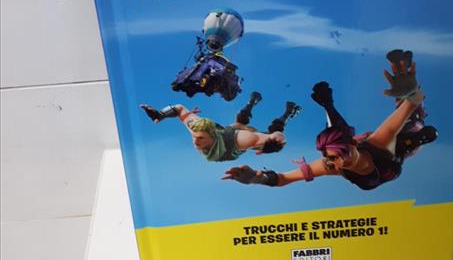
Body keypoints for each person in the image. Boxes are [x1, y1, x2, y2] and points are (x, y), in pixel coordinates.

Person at [222, 50, 437, 189]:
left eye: (343, 153)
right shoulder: (332, 165)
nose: (342, 161)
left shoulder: (378, 142)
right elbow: (283, 178)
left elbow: (412, 104)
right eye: (334, 158)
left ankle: (414, 136)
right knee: (410, 131)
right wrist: (255, 178)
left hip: (396, 148)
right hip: (391, 162)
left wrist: (410, 93)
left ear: (353, 144)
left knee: (414, 127)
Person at [140, 91, 301, 162]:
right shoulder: (250, 139)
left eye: (198, 139)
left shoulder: (202, 131)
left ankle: (260, 106)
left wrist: (161, 115)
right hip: (226, 145)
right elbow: (276, 138)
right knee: (244, 128)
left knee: (241, 126)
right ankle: (282, 112)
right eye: (197, 138)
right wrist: (160, 115)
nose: (195, 141)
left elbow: (179, 110)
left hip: (227, 141)